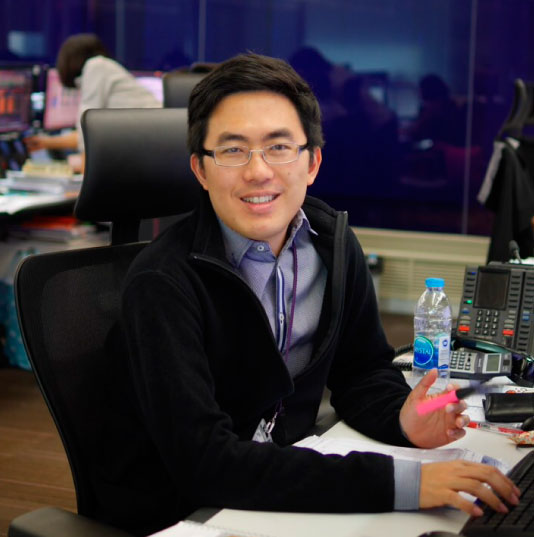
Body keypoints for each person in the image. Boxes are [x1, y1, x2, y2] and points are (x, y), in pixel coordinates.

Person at [119, 53, 519, 535]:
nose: (258, 171)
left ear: (312, 163)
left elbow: (362, 371)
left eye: (279, 147)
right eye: (233, 150)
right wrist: (402, 484)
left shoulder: (332, 246)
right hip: (193, 516)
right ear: (201, 171)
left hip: (287, 489)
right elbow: (204, 463)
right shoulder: (162, 283)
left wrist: (401, 420)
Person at [24, 34, 160, 170]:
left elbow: (87, 128)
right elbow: (88, 135)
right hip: (152, 144)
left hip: (148, 146)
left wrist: (85, 173)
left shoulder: (95, 66)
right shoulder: (105, 67)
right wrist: (45, 142)